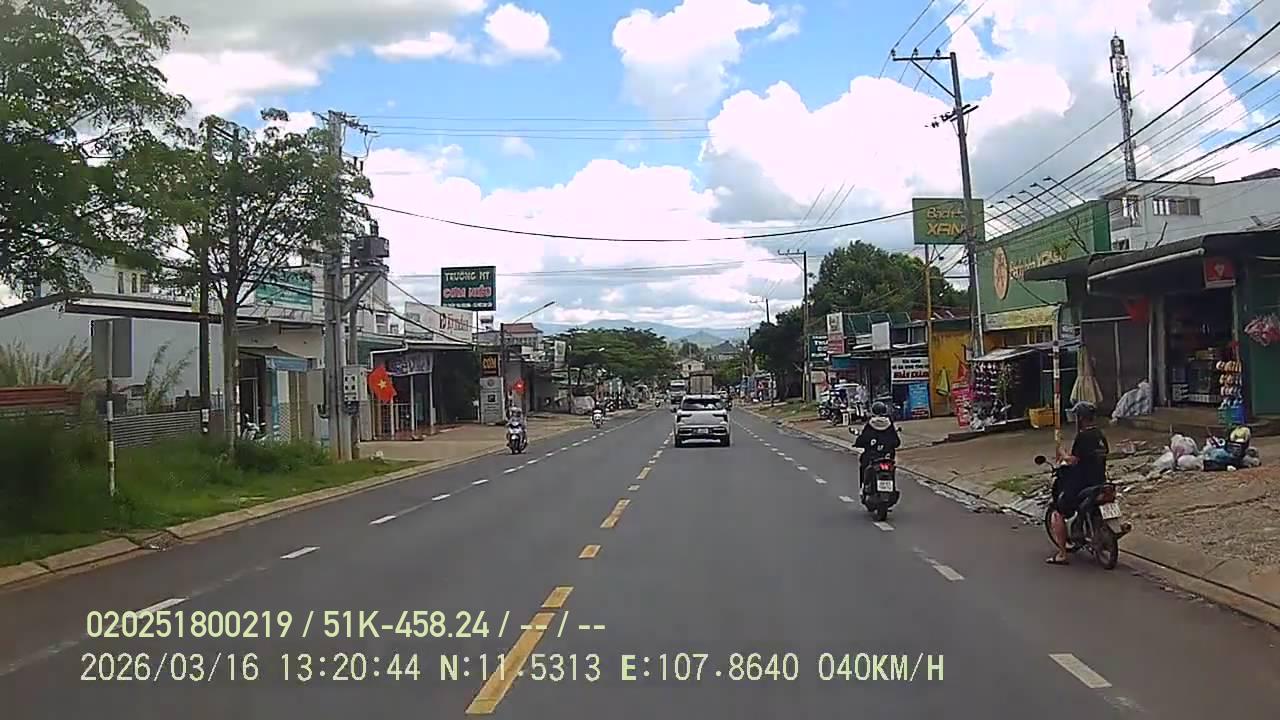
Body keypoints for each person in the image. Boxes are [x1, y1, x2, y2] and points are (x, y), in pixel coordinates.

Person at [1046, 401, 1110, 565]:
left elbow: (1074, 460)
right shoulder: (1100, 435)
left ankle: (1062, 554)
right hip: (1100, 480)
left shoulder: (1083, 436)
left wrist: (1063, 453)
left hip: (1082, 483)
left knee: (1058, 511)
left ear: (1080, 418)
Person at [853, 401, 901, 492]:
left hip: (872, 456)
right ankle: (893, 487)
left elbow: (863, 438)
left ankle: (863, 486)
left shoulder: (870, 424)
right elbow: (896, 442)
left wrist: (859, 443)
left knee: (864, 465)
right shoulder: (889, 424)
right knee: (891, 468)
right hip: (887, 455)